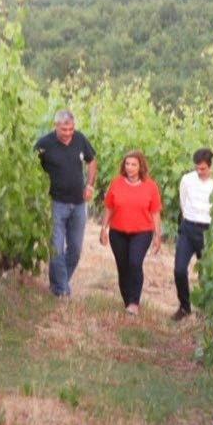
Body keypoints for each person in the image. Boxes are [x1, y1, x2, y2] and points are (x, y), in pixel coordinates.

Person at [34, 110, 98, 298]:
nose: (68, 133)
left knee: (76, 250)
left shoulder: (80, 139)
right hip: (56, 203)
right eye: (64, 129)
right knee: (56, 248)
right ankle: (62, 290)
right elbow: (32, 168)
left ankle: (57, 283)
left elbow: (92, 160)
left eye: (71, 128)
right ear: (56, 126)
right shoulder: (44, 144)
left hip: (78, 204)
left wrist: (90, 185)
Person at [99, 151, 163, 315]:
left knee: (135, 263)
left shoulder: (150, 186)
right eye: (127, 164)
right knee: (123, 267)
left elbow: (155, 212)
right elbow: (109, 207)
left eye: (134, 164)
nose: (130, 167)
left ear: (141, 166)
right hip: (118, 232)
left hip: (142, 232)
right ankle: (128, 300)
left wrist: (157, 235)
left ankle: (134, 302)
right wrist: (103, 228)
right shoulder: (116, 183)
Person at [172, 148, 213, 321]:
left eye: (203, 168)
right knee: (179, 269)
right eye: (197, 168)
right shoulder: (187, 180)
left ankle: (205, 311)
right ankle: (184, 306)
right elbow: (183, 202)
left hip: (208, 230)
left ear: (210, 166)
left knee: (206, 273)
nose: (199, 171)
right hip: (188, 228)